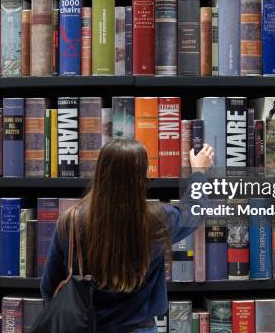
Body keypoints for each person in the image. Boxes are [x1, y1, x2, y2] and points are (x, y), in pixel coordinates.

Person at [40, 139, 214, 333]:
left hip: (88, 327)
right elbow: (195, 211)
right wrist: (198, 173)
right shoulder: (158, 220)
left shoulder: (71, 220)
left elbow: (49, 288)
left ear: (100, 173)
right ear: (141, 176)